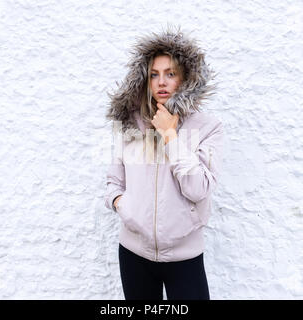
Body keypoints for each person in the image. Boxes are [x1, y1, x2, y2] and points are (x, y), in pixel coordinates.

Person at [104, 26, 224, 300]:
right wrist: (121, 204)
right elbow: (114, 180)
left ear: (186, 79)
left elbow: (199, 188)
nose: (161, 82)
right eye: (155, 75)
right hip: (134, 252)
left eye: (170, 74)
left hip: (185, 255)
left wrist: (170, 134)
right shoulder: (130, 123)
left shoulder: (208, 127)